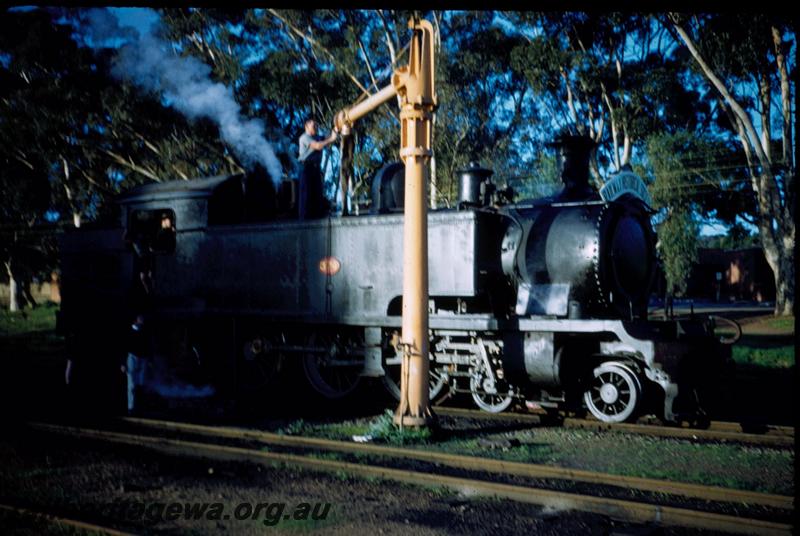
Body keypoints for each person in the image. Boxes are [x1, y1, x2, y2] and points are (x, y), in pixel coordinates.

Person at [298, 118, 338, 219]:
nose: (316, 126)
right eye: (313, 125)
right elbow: (318, 146)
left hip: (315, 169)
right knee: (306, 195)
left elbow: (328, 136)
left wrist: (336, 128)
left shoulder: (318, 137)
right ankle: (304, 220)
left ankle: (316, 218)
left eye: (316, 125)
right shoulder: (304, 137)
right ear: (306, 126)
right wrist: (331, 139)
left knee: (317, 195)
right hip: (306, 168)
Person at [121, 314, 150, 414]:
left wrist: (149, 361)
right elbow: (123, 347)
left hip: (143, 359)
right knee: (131, 384)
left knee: (141, 384)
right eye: (140, 318)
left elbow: (148, 347)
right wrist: (123, 363)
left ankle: (140, 406)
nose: (142, 320)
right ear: (136, 320)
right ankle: (131, 407)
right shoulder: (129, 332)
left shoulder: (145, 332)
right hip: (132, 357)